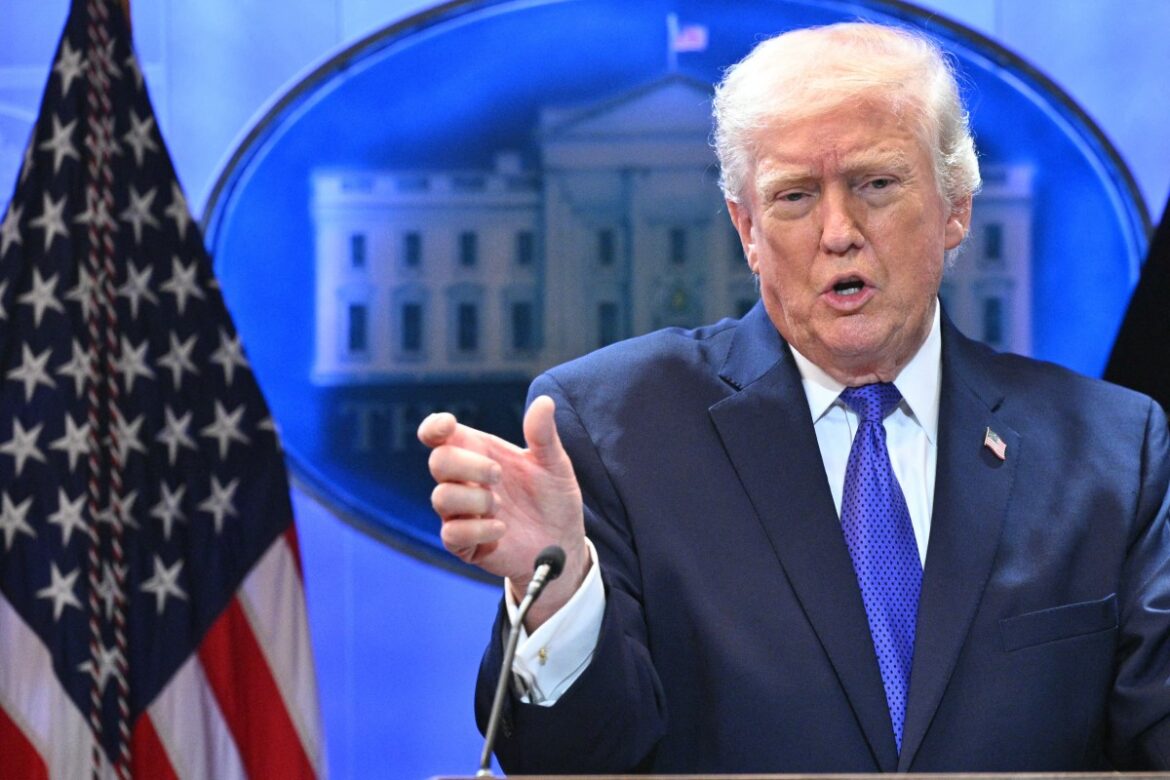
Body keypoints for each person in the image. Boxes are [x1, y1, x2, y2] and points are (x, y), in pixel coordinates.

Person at [417, 22, 1170, 773]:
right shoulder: (615, 433)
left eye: (876, 184)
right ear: (747, 229)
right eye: (795, 196)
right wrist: (556, 593)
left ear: (956, 208)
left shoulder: (1113, 450)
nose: (838, 232)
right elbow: (572, 763)